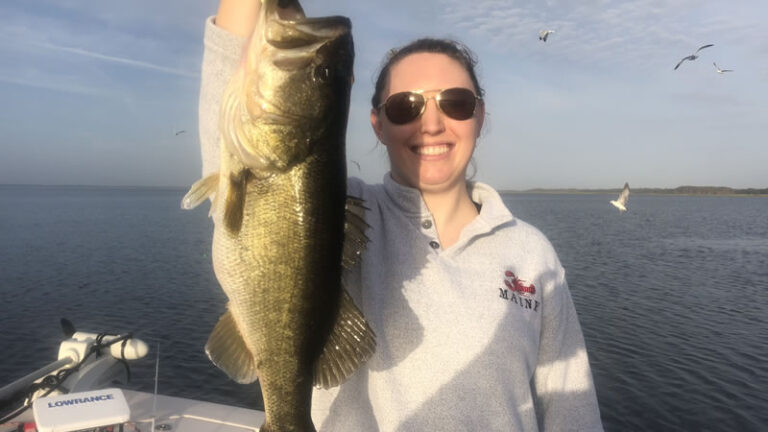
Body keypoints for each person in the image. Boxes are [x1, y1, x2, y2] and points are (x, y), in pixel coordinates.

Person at [199, 1, 604, 430]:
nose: (431, 124)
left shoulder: (532, 253)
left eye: (456, 103)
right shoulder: (332, 215)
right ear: (378, 124)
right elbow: (231, 64)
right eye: (405, 106)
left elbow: (572, 410)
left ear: (479, 117)